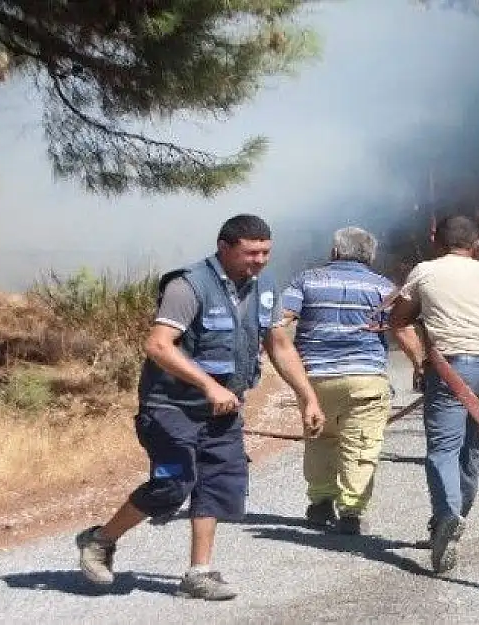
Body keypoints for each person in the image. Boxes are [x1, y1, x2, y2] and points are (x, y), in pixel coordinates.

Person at [75, 214, 325, 600]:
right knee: (173, 484)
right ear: (224, 248)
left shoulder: (266, 287)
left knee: (215, 485)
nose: (259, 260)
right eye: (250, 253)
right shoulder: (188, 285)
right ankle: (100, 540)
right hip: (170, 407)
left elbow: (279, 345)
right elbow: (158, 345)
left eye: (265, 252)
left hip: (223, 410)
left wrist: (307, 397)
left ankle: (199, 574)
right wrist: (208, 385)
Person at [389, 214, 479, 574]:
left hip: (452, 368)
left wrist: (420, 361)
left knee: (443, 450)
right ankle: (455, 520)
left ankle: (447, 515)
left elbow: (397, 321)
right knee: (471, 447)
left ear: (436, 240)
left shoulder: (425, 271)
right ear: (477, 244)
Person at [279, 227, 422, 535]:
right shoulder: (385, 288)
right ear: (370, 256)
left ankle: (319, 503)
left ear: (334, 252)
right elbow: (402, 329)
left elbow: (280, 320)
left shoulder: (307, 280)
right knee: (361, 445)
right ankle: (351, 513)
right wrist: (419, 364)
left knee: (320, 438)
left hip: (315, 380)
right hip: (365, 380)